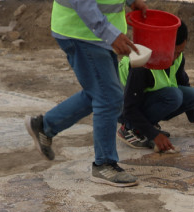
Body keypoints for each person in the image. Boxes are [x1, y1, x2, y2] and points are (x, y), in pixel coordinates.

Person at [26, 0, 149, 187]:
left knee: (99, 93)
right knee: (108, 97)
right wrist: (111, 34)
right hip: (82, 33)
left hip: (98, 34)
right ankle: (104, 164)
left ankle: (45, 126)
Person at [118, 21, 194, 152]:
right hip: (122, 108)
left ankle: (146, 126)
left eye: (180, 52)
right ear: (162, 46)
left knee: (193, 96)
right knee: (173, 96)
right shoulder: (142, 64)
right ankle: (129, 129)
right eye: (174, 52)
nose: (176, 58)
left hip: (143, 102)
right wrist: (154, 135)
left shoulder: (178, 58)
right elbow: (129, 108)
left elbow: (183, 84)